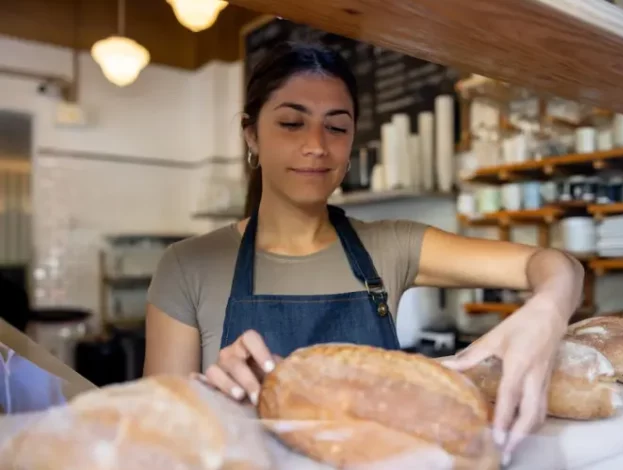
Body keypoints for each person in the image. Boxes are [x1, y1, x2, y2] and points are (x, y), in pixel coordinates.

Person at [143, 42, 584, 463]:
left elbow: (552, 264)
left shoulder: (391, 246)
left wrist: (548, 309)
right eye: (292, 123)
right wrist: (210, 402)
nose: (317, 144)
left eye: (336, 127)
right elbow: (156, 443)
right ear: (251, 136)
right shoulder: (188, 265)